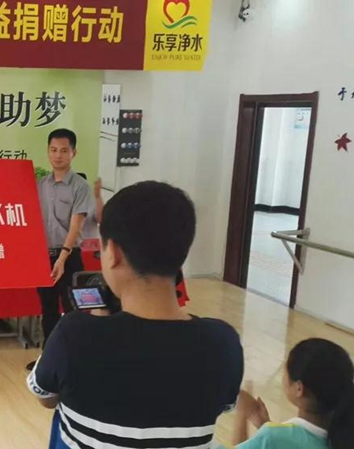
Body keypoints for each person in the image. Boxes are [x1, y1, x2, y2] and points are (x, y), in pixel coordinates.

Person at [27, 181, 244, 449]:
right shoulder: (223, 341)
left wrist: (96, 325)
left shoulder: (73, 333)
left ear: (114, 253)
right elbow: (223, 404)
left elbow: (45, 396)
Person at [27, 128, 103, 371]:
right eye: (53, 150)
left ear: (73, 153)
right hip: (43, 257)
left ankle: (74, 359)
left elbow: (75, 225)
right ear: (48, 151)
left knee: (72, 309)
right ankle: (48, 359)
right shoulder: (40, 185)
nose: (57, 155)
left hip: (69, 257)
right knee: (47, 309)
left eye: (63, 150)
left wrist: (61, 258)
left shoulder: (80, 186)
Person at [233, 338, 354, 449]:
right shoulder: (344, 435)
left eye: (284, 372)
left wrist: (241, 414)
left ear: (299, 388)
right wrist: (265, 425)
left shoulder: (272, 438)